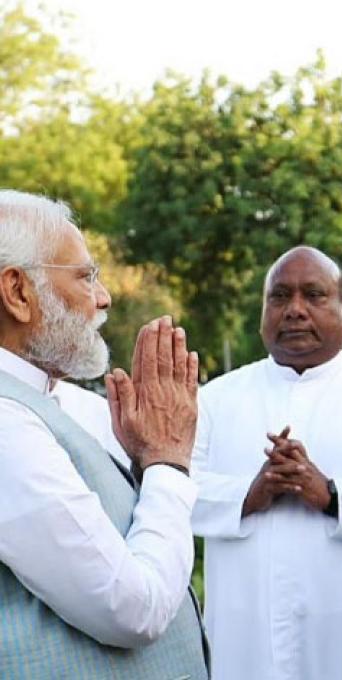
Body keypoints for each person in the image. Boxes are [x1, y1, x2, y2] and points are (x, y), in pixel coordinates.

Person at [190, 246, 342, 680]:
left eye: (313, 295)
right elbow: (176, 491)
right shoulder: (214, 400)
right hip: (247, 642)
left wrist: (332, 494)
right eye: (279, 297)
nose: (294, 311)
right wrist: (251, 493)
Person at [0, 190, 209, 679]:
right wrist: (167, 463)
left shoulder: (50, 403)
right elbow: (131, 607)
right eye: (85, 276)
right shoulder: (6, 424)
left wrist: (143, 465)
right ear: (17, 292)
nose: (103, 296)